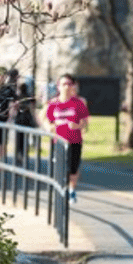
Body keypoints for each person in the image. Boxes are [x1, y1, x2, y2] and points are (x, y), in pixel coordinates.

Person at [44, 73, 90, 203]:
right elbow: (47, 121)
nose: (67, 87)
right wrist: (50, 127)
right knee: (59, 167)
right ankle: (60, 191)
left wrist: (77, 125)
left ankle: (72, 191)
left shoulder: (78, 103)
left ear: (73, 86)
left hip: (75, 140)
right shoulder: (53, 104)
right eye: (64, 84)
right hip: (58, 141)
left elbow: (85, 121)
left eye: (69, 84)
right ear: (58, 86)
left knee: (72, 168)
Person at [12, 82, 36, 159]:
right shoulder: (29, 98)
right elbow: (32, 109)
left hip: (19, 119)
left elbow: (15, 108)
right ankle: (25, 154)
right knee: (26, 138)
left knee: (18, 138)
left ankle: (18, 154)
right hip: (27, 120)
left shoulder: (18, 97)